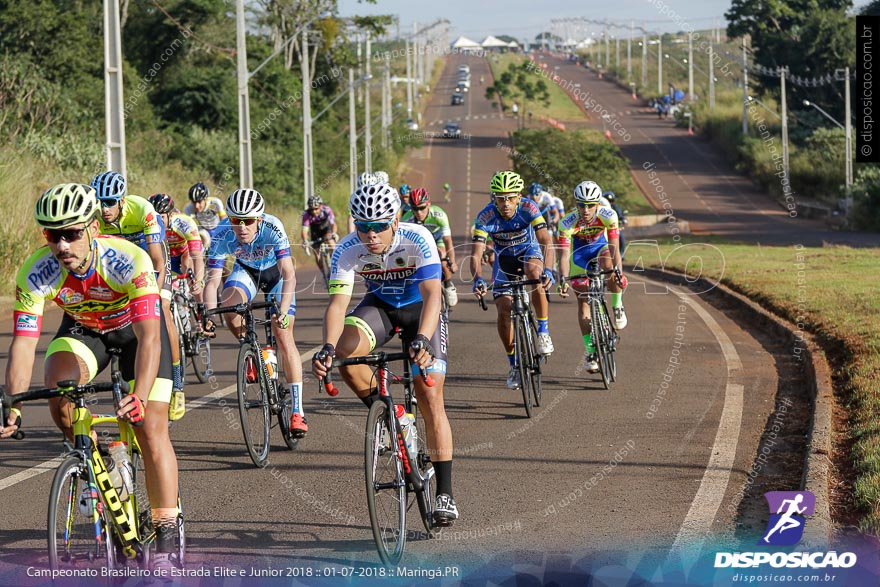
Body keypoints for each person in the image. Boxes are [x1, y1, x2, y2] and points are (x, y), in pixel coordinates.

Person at [2, 184, 181, 571]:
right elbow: (23, 344)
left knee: (150, 426)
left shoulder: (128, 259)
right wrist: (12, 404)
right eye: (53, 235)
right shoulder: (37, 271)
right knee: (59, 391)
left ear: (93, 229)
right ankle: (100, 463)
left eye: (72, 233)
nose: (63, 245)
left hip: (137, 335)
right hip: (85, 331)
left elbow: (152, 336)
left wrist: (142, 393)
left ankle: (166, 535)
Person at [311, 182, 459, 525]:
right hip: (380, 307)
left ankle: (446, 492)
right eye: (363, 226)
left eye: (379, 225)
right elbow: (338, 304)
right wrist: (328, 348)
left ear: (394, 219)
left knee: (430, 391)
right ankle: (396, 417)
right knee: (348, 358)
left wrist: (422, 338)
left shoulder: (418, 237)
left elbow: (433, 295)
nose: (371, 234)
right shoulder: (347, 249)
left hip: (420, 309)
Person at [202, 189, 308, 437]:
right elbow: (212, 282)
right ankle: (249, 348)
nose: (241, 227)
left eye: (248, 221)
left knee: (283, 333)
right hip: (246, 272)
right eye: (235, 220)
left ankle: (297, 411)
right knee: (229, 305)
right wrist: (208, 315)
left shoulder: (273, 228)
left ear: (259, 219)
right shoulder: (222, 234)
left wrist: (282, 311)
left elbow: (289, 275)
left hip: (276, 275)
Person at [91, 172, 185, 420]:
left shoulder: (142, 209)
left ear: (122, 200)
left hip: (149, 259)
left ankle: (177, 384)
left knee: (162, 312)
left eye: (110, 201)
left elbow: (158, 260)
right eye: (100, 201)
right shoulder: (95, 217)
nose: (104, 208)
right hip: (119, 265)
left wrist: (157, 294)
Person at [469, 171, 556, 390]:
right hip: (503, 260)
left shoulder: (529, 208)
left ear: (518, 196)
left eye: (510, 197)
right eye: (500, 197)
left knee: (534, 274)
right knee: (503, 310)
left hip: (529, 251)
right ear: (494, 198)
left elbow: (546, 239)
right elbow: (476, 255)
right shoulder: (485, 217)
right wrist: (478, 278)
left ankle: (543, 331)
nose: (505, 203)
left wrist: (549, 269)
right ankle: (514, 364)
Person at [557, 181, 628, 373]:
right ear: (576, 204)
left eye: (590, 205)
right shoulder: (566, 222)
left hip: (601, 248)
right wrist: (563, 278)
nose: (586, 209)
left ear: (598, 204)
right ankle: (590, 351)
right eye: (581, 205)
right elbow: (563, 256)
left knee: (609, 266)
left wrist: (618, 272)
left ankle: (617, 305)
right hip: (579, 256)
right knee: (583, 301)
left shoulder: (608, 215)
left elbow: (614, 249)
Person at [400, 188, 458, 307]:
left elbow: (447, 240)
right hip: (418, 243)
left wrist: (451, 261)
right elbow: (402, 244)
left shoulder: (439, 215)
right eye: (414, 209)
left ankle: (448, 283)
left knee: (441, 258)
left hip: (437, 240)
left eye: (422, 208)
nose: (419, 212)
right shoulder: (406, 219)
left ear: (429, 204)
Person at [149, 193, 205, 298]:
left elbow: (196, 255)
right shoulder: (148, 224)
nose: (157, 222)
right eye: (154, 217)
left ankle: (201, 308)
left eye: (161, 217)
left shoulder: (183, 223)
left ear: (170, 215)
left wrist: (200, 281)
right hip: (166, 255)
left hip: (183, 253)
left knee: (188, 269)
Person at [300, 194, 339, 277]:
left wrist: (334, 233)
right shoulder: (306, 214)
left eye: (316, 209)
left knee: (332, 245)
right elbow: (304, 230)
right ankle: (323, 273)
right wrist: (305, 240)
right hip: (315, 232)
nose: (314, 211)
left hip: (326, 229)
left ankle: (335, 264)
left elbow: (333, 224)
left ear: (321, 206)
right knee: (317, 256)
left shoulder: (327, 210)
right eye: (312, 209)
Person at [183, 182, 227, 250]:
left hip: (217, 229)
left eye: (199, 202)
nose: (197, 206)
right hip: (204, 230)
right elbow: (186, 227)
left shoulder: (215, 203)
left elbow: (224, 221)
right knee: (200, 237)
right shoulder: (188, 209)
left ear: (205, 199)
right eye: (194, 202)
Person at [602, 191, 627, 259]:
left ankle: (621, 255)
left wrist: (623, 220)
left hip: (614, 229)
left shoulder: (616, 208)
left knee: (621, 238)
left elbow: (621, 216)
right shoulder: (600, 209)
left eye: (610, 201)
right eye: (607, 201)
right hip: (602, 230)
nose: (608, 203)